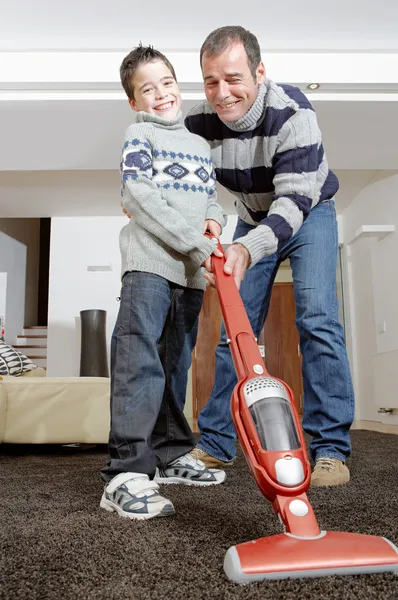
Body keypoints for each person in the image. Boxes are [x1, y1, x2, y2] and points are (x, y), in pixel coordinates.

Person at [185, 26, 355, 487]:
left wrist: (246, 246)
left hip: (309, 211)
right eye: (211, 81)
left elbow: (293, 203)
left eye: (234, 78)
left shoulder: (294, 113)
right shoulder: (197, 123)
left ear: (260, 72)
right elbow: (181, 177)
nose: (222, 93)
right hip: (252, 214)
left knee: (317, 318)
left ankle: (331, 450)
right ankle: (218, 443)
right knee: (234, 334)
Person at [100, 44, 228, 520]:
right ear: (134, 102)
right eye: (146, 90)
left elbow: (209, 199)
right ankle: (125, 472)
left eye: (167, 83)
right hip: (151, 264)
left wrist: (213, 223)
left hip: (190, 275)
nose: (160, 95)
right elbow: (138, 196)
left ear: (179, 84)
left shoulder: (197, 143)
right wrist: (196, 243)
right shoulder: (140, 136)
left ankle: (171, 454)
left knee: (174, 364)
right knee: (140, 364)